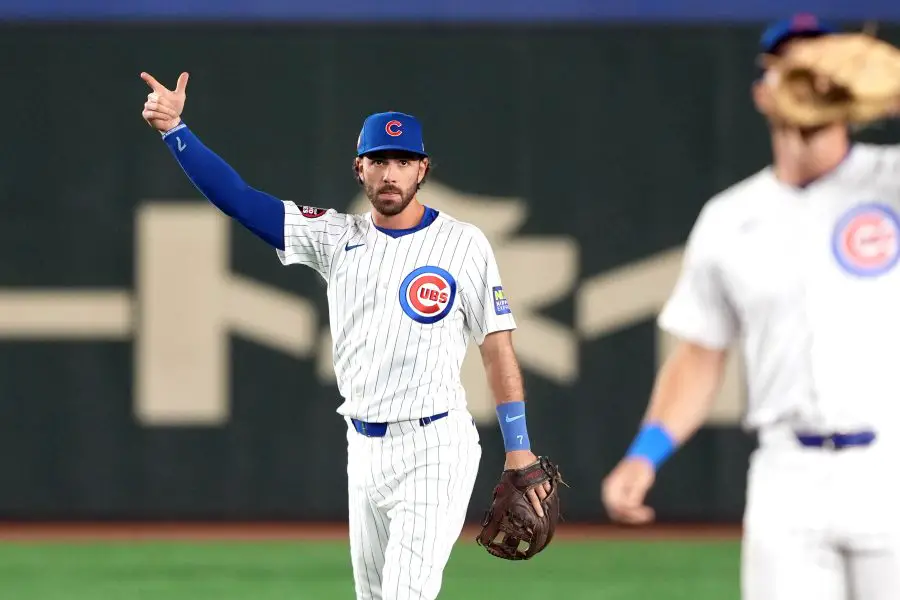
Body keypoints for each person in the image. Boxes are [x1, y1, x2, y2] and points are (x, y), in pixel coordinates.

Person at [139, 71, 551, 599]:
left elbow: (496, 347)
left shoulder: (463, 244)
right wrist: (176, 130)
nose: (390, 173)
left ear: (423, 168)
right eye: (379, 160)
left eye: (403, 161)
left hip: (435, 444)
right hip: (364, 445)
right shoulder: (335, 237)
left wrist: (519, 449)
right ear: (359, 168)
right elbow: (240, 200)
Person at [601, 13, 900, 600]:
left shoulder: (891, 182)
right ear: (762, 93)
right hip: (786, 477)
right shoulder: (730, 218)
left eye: (819, 66)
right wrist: (645, 455)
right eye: (786, 68)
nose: (804, 78)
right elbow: (700, 354)